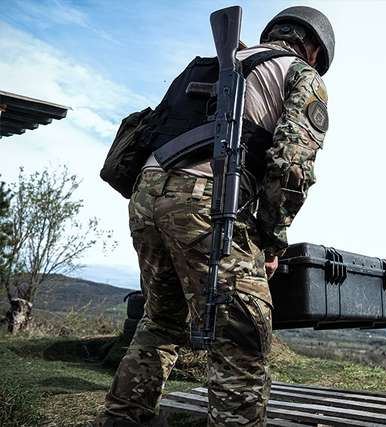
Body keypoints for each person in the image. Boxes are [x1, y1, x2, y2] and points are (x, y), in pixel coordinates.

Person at [98, 6, 334, 426]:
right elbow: (292, 163)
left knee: (160, 321)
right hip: (206, 200)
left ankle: (121, 419)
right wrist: (270, 238)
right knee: (243, 332)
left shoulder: (219, 63)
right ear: (314, 50)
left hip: (147, 194)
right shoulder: (301, 74)